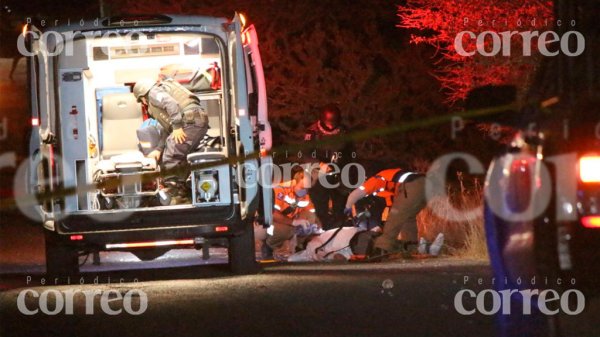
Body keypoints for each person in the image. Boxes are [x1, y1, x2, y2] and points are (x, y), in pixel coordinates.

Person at [344, 168, 428, 258]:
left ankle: (381, 249)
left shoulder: (378, 178)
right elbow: (393, 205)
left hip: (412, 185)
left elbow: (356, 194)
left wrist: (348, 207)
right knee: (408, 219)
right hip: (426, 187)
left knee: (395, 218)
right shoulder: (390, 186)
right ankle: (411, 248)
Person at [133, 78, 209, 169]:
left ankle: (171, 182)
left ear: (142, 97)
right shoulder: (164, 90)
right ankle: (179, 182)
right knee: (178, 156)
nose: (144, 103)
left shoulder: (153, 93)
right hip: (195, 120)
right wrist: (159, 149)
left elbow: (171, 104)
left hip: (190, 121)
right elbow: (167, 130)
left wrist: (177, 127)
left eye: (142, 100)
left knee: (171, 158)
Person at [304, 104, 353, 230]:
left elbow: (350, 153)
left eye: (333, 123)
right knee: (320, 202)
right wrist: (319, 164)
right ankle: (324, 226)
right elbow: (305, 154)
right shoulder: (312, 132)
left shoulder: (344, 132)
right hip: (319, 172)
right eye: (329, 124)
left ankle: (338, 227)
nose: (331, 126)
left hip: (339, 171)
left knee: (340, 201)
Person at [266, 167, 319, 261]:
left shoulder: (304, 195)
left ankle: (293, 246)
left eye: (307, 189)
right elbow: (273, 214)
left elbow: (311, 213)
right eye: (303, 187)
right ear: (295, 182)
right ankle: (277, 247)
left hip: (290, 224)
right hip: (274, 224)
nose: (304, 191)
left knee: (309, 217)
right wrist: (294, 222)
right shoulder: (279, 190)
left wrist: (317, 228)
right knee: (287, 230)